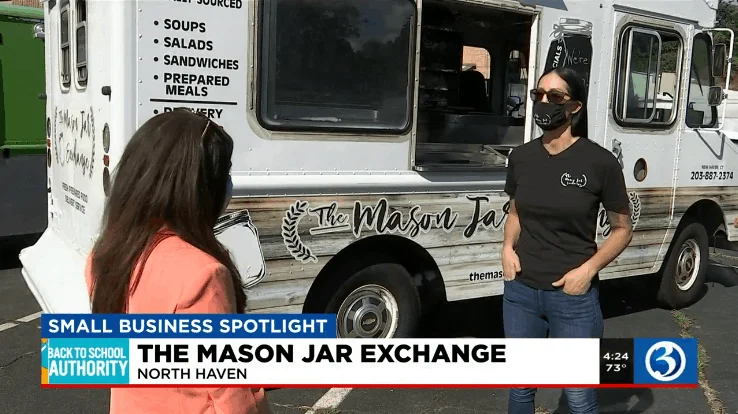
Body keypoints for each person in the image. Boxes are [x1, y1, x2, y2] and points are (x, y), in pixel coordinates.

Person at [85, 109, 271, 414]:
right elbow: (230, 395)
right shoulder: (204, 274)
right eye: (224, 176)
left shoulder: (105, 256)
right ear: (198, 189)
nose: (229, 185)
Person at [501, 67, 634, 414]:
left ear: (575, 107)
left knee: (578, 396)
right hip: (521, 292)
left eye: (555, 96)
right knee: (520, 387)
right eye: (538, 95)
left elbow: (623, 229)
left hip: (573, 298)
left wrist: (587, 271)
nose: (543, 102)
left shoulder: (600, 163)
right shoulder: (521, 157)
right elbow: (515, 212)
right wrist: (507, 249)